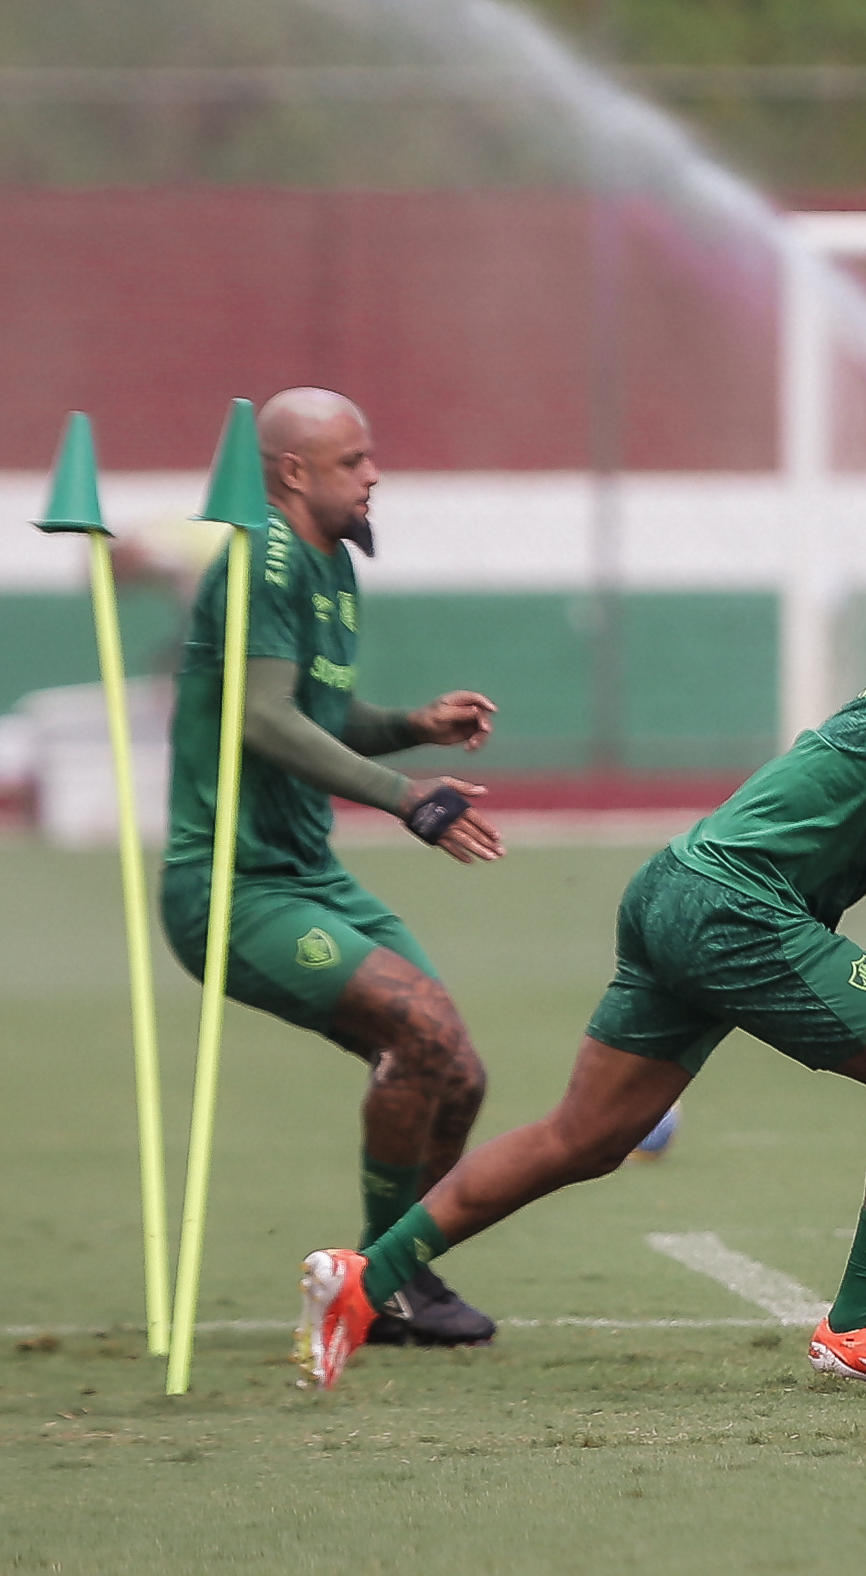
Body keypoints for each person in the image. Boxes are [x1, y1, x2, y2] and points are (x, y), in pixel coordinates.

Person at [296, 550, 866, 1391]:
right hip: (737, 907)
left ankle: (365, 1279)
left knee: (582, 1137)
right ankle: (859, 1322)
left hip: (674, 888)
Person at [160, 387, 507, 1349]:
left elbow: (310, 709)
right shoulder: (262, 557)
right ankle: (386, 1283)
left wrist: (408, 727)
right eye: (354, 460)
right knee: (423, 1027)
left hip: (305, 873)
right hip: (230, 886)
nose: (374, 473)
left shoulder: (331, 568)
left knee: (459, 1072)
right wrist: (410, 797)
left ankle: (388, 1279)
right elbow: (262, 718)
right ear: (292, 474)